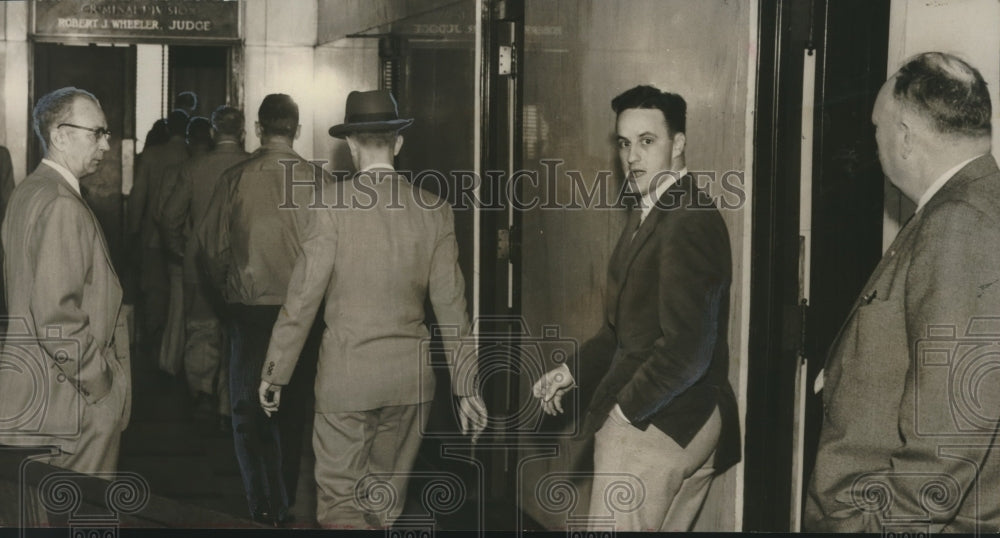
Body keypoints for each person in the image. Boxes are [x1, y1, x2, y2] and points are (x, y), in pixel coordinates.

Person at [257, 89, 487, 529]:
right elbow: (452, 309)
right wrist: (466, 384)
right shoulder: (434, 210)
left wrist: (275, 371)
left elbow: (302, 299)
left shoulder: (330, 206)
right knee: (383, 505)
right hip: (410, 384)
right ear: (398, 144)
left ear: (351, 144)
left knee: (341, 505)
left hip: (347, 380)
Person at [805, 52, 1000, 533]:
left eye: (877, 128)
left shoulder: (960, 225)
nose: (875, 142)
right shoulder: (970, 204)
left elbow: (951, 433)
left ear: (907, 137)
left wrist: (877, 527)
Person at [532, 85, 740, 531]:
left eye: (647, 141)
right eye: (625, 143)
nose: (632, 156)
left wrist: (625, 414)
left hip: (662, 420)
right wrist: (570, 373)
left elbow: (688, 349)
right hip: (675, 417)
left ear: (678, 143)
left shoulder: (688, 220)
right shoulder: (652, 213)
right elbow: (623, 330)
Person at [198, 94, 324, 526]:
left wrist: (227, 294)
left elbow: (210, 248)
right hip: (303, 314)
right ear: (297, 129)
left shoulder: (236, 178)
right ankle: (287, 494)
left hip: (250, 310)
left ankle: (262, 503)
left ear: (259, 128)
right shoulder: (319, 180)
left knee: (248, 411)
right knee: (291, 407)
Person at [0, 87, 131, 474]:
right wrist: (101, 386)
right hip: (72, 401)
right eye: (97, 133)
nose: (106, 145)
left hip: (38, 396)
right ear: (59, 136)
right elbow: (56, 316)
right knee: (84, 520)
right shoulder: (60, 204)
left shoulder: (28, 191)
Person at [162, 106, 249, 430]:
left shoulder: (194, 167)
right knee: (238, 335)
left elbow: (169, 216)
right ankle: (231, 404)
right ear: (242, 132)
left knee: (202, 329)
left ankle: (203, 395)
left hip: (199, 263)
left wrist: (182, 251)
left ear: (213, 132)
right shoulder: (253, 166)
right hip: (244, 266)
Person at [129, 109, 189, 370]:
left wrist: (132, 231)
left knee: (154, 294)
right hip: (185, 240)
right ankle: (176, 354)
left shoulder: (152, 156)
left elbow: (138, 196)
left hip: (153, 237)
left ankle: (155, 349)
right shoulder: (193, 155)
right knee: (180, 299)